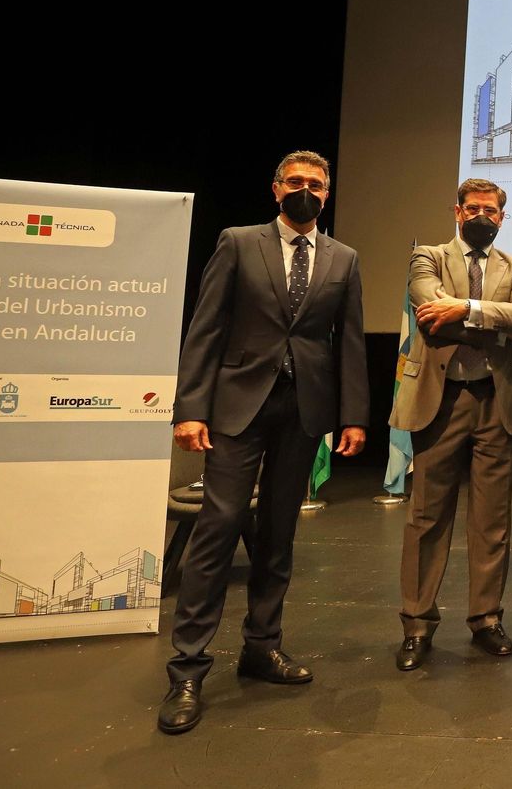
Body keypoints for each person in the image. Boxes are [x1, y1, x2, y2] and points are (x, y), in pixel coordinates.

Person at [160, 150, 368, 734]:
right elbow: (206, 327)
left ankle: (261, 646)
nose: (306, 190)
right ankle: (187, 670)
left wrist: (353, 416)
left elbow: (349, 340)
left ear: (326, 194)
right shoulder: (237, 241)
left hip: (303, 408)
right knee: (219, 528)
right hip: (236, 404)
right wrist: (190, 407)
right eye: (296, 182)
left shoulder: (343, 258)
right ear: (276, 189)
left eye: (316, 184)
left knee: (279, 531)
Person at [388, 178, 512, 671]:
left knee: (492, 521)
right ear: (457, 211)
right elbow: (431, 317)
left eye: (490, 211)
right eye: (472, 208)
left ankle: (486, 620)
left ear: (501, 217)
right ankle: (416, 623)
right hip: (441, 398)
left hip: (497, 402)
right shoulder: (428, 257)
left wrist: (468, 308)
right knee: (427, 517)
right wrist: (499, 325)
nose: (481, 217)